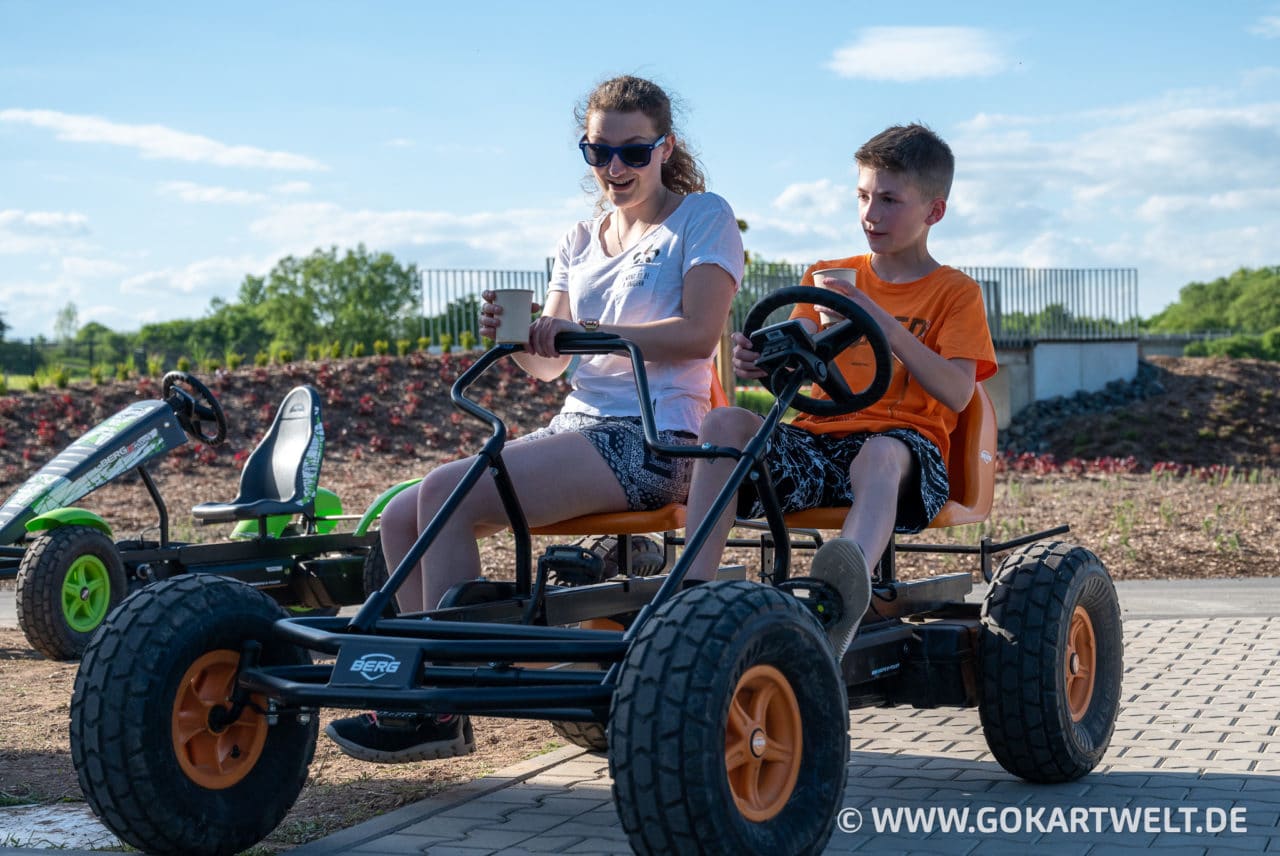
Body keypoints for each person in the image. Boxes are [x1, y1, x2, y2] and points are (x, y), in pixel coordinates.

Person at [325, 74, 743, 763]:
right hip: (580, 428)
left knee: (443, 497)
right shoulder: (579, 237)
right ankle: (432, 682)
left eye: (633, 153)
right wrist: (521, 339)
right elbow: (551, 367)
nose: (614, 168)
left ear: (665, 148)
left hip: (659, 441)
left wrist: (585, 329)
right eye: (597, 152)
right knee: (404, 513)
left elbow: (699, 335)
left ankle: (441, 704)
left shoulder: (701, 217)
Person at [682, 123, 997, 658]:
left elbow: (959, 393)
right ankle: (689, 601)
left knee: (878, 453)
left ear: (933, 213)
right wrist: (763, 360)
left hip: (904, 455)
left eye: (890, 200)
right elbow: (801, 357)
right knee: (723, 424)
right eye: (864, 196)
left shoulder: (955, 293)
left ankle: (839, 594)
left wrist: (884, 325)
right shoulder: (831, 277)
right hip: (820, 442)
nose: (870, 214)